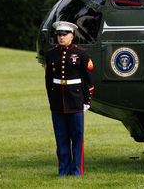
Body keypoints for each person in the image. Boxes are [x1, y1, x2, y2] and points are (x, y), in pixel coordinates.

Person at [45, 21, 95, 177]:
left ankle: (77, 171)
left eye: (64, 35)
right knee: (61, 139)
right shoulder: (51, 54)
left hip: (75, 101)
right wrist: (51, 99)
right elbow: (48, 80)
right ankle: (63, 171)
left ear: (72, 36)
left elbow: (89, 80)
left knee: (77, 138)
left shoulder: (81, 53)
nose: (61, 37)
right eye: (59, 35)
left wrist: (87, 101)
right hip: (57, 102)